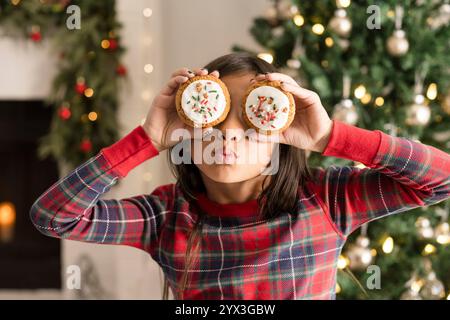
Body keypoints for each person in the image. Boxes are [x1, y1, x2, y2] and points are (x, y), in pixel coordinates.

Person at [30, 52, 450, 300]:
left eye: (251, 120)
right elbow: (53, 216)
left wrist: (329, 136)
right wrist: (147, 137)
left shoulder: (327, 199)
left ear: (279, 133)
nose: (228, 134)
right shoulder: (165, 217)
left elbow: (442, 180)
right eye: (212, 118)